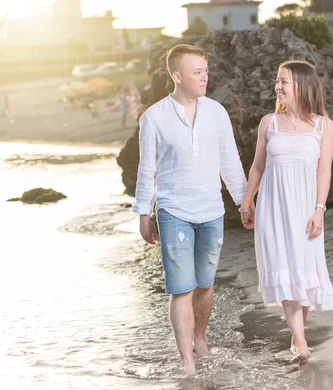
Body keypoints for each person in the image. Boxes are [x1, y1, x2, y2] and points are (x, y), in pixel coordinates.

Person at [133, 44, 247, 375]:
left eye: (206, 71)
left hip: (211, 209)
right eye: (197, 72)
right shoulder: (153, 118)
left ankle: (200, 336)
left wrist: (243, 202)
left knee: (206, 284)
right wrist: (144, 212)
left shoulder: (217, 112)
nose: (204, 77)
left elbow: (230, 162)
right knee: (181, 287)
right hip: (173, 211)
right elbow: (146, 169)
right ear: (176, 76)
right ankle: (187, 360)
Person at [240, 60, 333, 362]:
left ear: (302, 86)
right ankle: (300, 340)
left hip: (306, 209)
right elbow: (258, 166)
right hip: (273, 208)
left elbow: (324, 171)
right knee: (284, 268)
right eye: (277, 81)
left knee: (304, 273)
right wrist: (246, 201)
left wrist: (319, 210)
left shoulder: (324, 126)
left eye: (284, 81)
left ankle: (298, 338)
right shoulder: (268, 122)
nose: (277, 87)